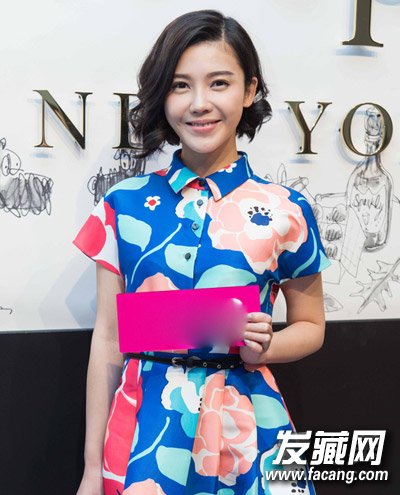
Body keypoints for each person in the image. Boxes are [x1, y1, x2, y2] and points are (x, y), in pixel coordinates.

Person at [73, 9, 330, 495]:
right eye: (179, 85)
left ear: (249, 90)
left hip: (249, 431)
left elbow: (312, 326)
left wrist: (268, 346)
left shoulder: (286, 209)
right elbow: (108, 339)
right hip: (145, 430)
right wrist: (91, 469)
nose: (198, 103)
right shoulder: (123, 205)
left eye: (219, 83)